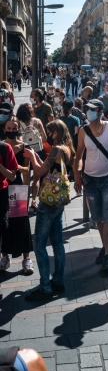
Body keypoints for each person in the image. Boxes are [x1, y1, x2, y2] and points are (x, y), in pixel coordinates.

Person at [74, 100, 108, 271]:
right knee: (97, 217)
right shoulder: (83, 131)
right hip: (90, 180)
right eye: (87, 109)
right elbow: (78, 157)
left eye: (92, 110)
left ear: (100, 111)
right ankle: (106, 246)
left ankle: (106, 253)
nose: (89, 112)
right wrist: (77, 177)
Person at [24, 120, 74, 301]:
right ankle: (58, 281)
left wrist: (30, 156)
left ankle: (45, 286)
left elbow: (38, 172)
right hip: (58, 201)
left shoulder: (55, 150)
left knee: (39, 244)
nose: (46, 135)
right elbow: (47, 169)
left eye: (49, 132)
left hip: (48, 202)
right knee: (57, 242)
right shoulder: (66, 149)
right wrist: (36, 158)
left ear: (55, 133)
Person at [1, 117, 34, 275]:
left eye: (15, 128)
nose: (12, 130)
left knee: (22, 221)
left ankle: (26, 258)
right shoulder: (2, 147)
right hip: (2, 187)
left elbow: (28, 170)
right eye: (9, 128)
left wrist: (16, 166)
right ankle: (5, 256)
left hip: (18, 187)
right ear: (4, 129)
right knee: (4, 222)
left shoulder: (24, 147)